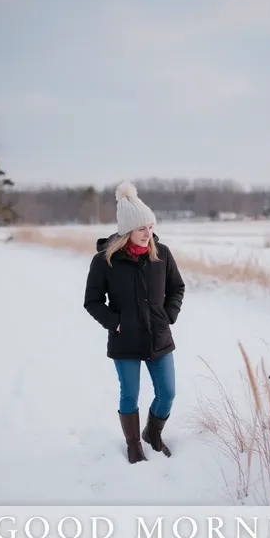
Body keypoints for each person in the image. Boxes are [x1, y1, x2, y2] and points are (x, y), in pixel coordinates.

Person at [83, 181, 185, 464]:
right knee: (130, 394)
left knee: (168, 393)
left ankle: (152, 434)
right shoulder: (105, 260)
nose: (148, 234)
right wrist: (115, 323)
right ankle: (133, 446)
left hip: (158, 336)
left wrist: (168, 315)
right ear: (128, 230)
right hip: (125, 337)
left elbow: (177, 287)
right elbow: (92, 301)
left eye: (150, 227)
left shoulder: (161, 254)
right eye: (142, 228)